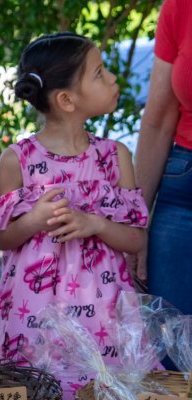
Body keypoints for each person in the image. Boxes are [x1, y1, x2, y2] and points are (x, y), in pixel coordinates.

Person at [0, 33, 150, 398]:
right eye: (99, 73)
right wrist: (33, 220)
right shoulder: (17, 160)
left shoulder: (114, 157)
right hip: (34, 316)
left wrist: (95, 223)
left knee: (103, 389)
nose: (112, 79)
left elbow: (136, 239)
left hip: (103, 314)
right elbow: (1, 239)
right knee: (36, 388)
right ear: (66, 100)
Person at [133, 0, 192, 322]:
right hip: (184, 190)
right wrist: (135, 223)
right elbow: (158, 119)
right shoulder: (180, 6)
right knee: (172, 340)